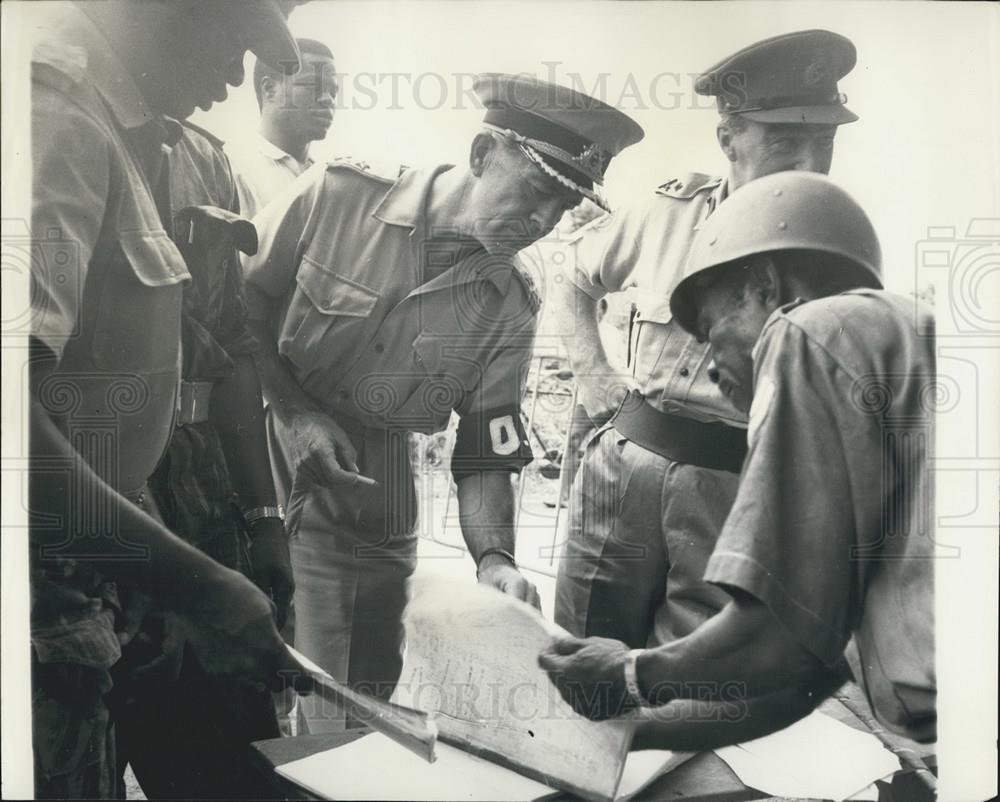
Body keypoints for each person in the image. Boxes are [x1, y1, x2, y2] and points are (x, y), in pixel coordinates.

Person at [243, 72, 644, 733]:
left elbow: (487, 451)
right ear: (484, 153)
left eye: (566, 208)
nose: (545, 221)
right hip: (268, 435)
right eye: (539, 190)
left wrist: (497, 562)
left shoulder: (512, 299)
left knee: (371, 684)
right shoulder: (338, 196)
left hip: (383, 472)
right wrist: (294, 411)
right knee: (284, 676)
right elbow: (237, 305)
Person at [540, 171, 936, 748]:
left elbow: (774, 637)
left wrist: (628, 675)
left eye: (709, 327)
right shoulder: (895, 358)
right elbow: (799, 675)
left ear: (766, 288)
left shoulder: (809, 331)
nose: (710, 364)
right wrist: (622, 735)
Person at [27, 2, 310, 797]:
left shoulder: (117, 124)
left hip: (93, 564)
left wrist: (239, 534)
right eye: (232, 38)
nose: (236, 76)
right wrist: (196, 584)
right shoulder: (54, 117)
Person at [552, 29, 861, 651]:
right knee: (579, 659)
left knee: (689, 681)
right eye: (782, 141)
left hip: (730, 495)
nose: (807, 165)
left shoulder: (840, 253)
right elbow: (573, 278)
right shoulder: (669, 212)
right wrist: (593, 375)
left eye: (822, 142)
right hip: (622, 473)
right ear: (728, 140)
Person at [107, 121, 296, 798]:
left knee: (234, 763)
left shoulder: (204, 157)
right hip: (83, 510)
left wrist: (265, 515)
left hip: (199, 494)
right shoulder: (45, 125)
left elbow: (234, 350)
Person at [231, 38, 338, 218]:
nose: (328, 99)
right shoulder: (235, 170)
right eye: (313, 85)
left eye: (333, 91)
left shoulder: (328, 178)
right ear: (269, 89)